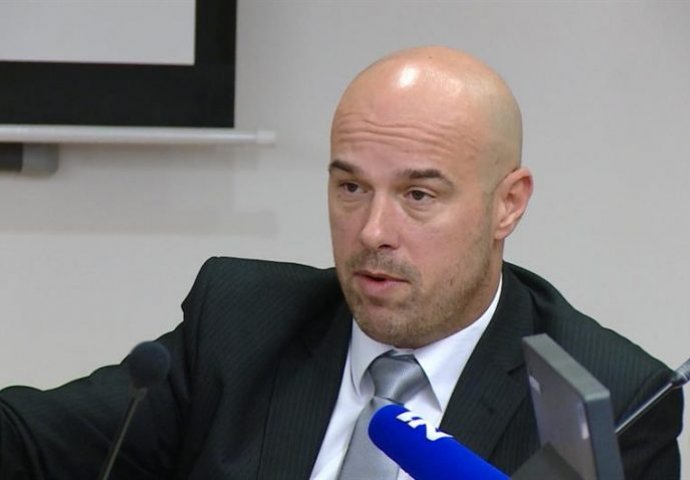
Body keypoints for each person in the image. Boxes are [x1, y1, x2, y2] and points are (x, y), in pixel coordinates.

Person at [0, 46, 682, 479]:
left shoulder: (613, 402)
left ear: (508, 204)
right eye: (351, 187)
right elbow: (29, 443)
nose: (372, 231)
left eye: (418, 195)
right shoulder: (242, 323)